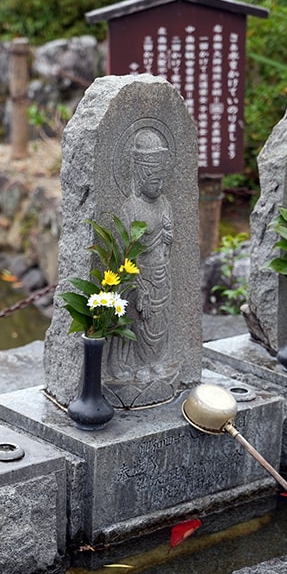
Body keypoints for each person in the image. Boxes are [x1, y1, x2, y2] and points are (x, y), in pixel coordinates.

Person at [107, 127, 177, 385]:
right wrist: (139, 290)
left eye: (162, 180)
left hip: (162, 275)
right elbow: (124, 256)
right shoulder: (130, 209)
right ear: (140, 176)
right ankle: (137, 366)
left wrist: (168, 240)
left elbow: (165, 246)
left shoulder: (164, 204)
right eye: (154, 181)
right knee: (139, 323)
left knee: (160, 323)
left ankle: (155, 362)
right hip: (140, 279)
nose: (160, 186)